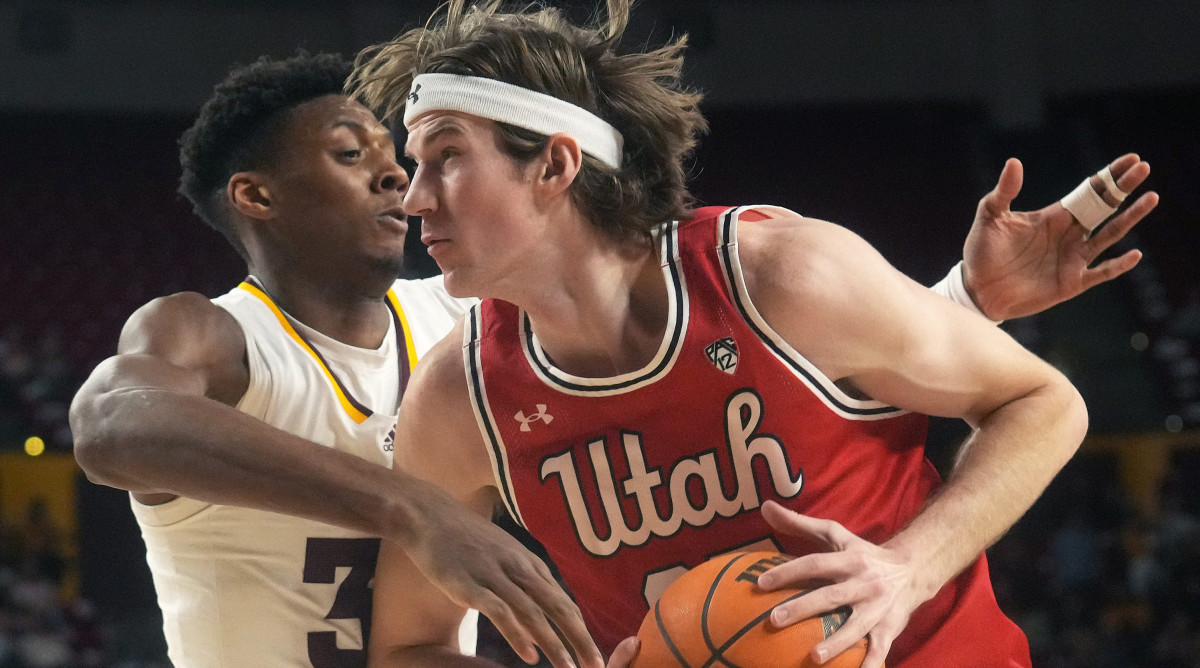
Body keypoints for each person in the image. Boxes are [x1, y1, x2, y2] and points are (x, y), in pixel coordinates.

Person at [346, 1, 1159, 666]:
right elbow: (410, 645)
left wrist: (906, 570)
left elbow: (1043, 401)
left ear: (556, 166)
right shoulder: (461, 395)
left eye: (445, 157)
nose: (414, 198)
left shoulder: (777, 275)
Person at [68, 52, 600, 668]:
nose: (396, 177)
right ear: (257, 195)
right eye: (351, 155)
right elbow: (108, 426)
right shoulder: (211, 332)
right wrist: (410, 508)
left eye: (391, 155)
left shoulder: (465, 320)